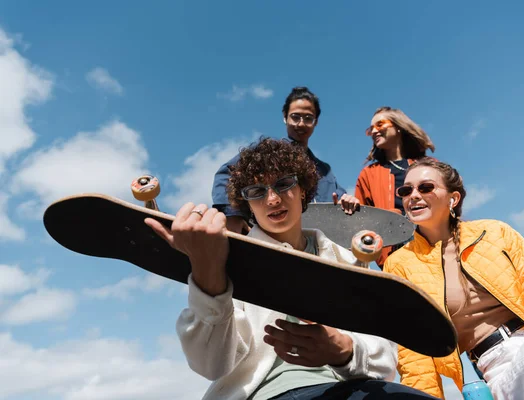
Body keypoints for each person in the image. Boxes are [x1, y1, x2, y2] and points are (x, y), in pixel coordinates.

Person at [145, 138, 437, 400]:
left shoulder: (345, 258)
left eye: (283, 184)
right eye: (257, 191)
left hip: (352, 387)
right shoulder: (232, 261)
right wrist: (208, 274)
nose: (272, 199)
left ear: (303, 189)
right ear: (247, 204)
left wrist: (345, 349)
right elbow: (210, 364)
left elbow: (385, 358)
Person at [383, 158, 524, 400]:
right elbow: (414, 353)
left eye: (425, 187)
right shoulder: (400, 264)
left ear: (453, 199)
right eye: (406, 190)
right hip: (502, 369)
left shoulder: (495, 232)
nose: (413, 195)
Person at [212, 86, 358, 235]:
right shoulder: (266, 152)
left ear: (316, 121)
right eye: (295, 116)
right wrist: (233, 215)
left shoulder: (325, 171)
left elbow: (340, 199)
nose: (301, 123)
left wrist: (348, 202)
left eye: (308, 118)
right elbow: (225, 175)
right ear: (285, 117)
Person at [354, 106, 435, 267]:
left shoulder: (429, 166)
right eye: (371, 129)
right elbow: (361, 221)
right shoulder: (368, 174)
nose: (374, 131)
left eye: (380, 124)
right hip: (394, 256)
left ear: (398, 126)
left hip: (434, 247)